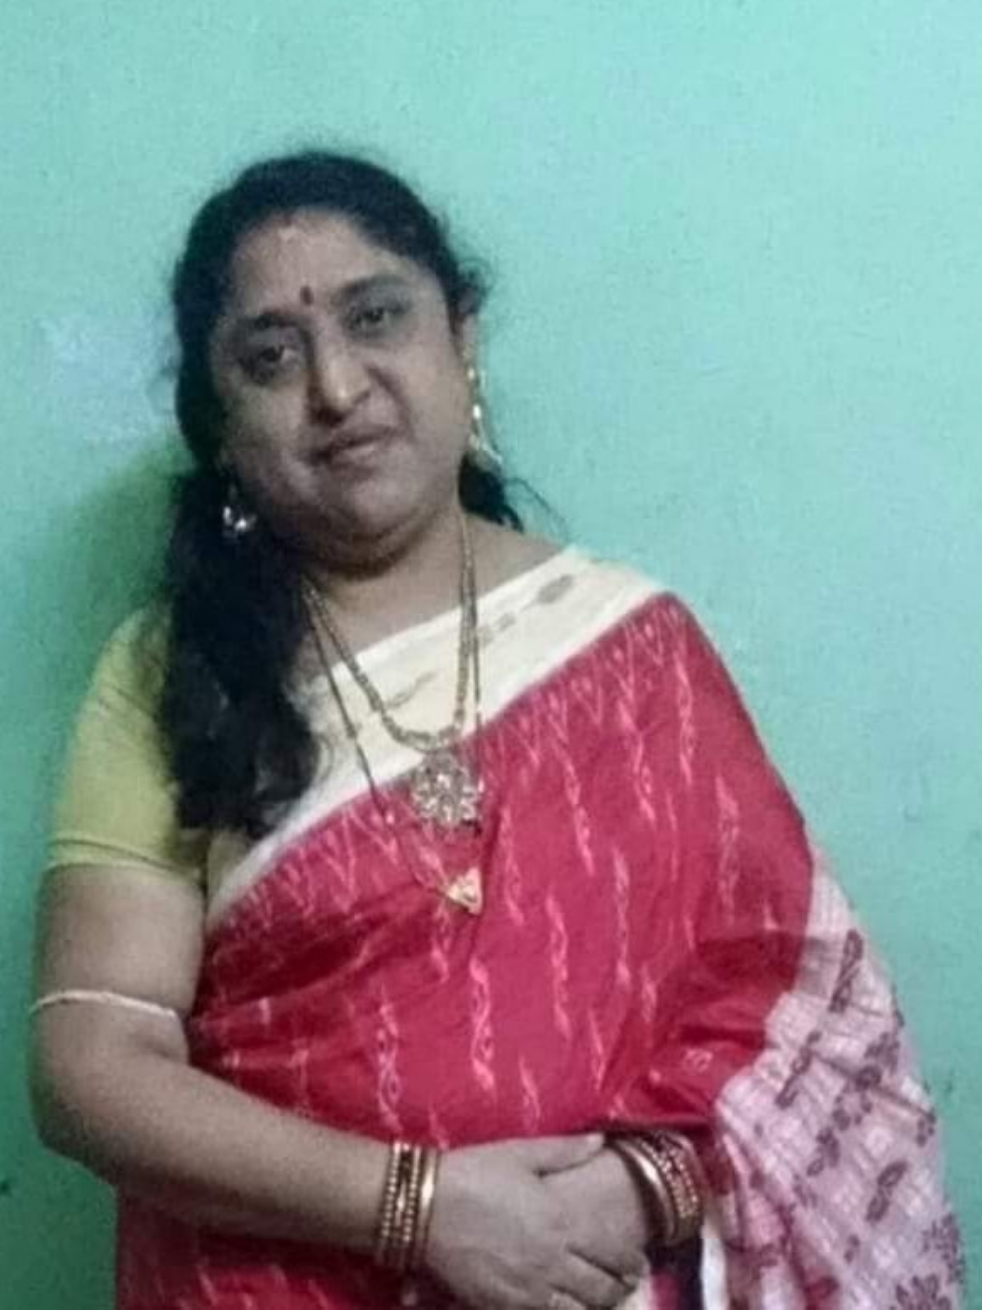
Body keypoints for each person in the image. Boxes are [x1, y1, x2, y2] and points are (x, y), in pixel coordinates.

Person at [31, 151, 962, 1310]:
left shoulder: (636, 647)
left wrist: (634, 1190)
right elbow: (91, 1063)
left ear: (460, 339)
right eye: (269, 357)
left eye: (377, 316)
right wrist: (420, 1206)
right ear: (221, 423)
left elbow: (797, 1021)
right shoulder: (172, 673)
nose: (337, 387)